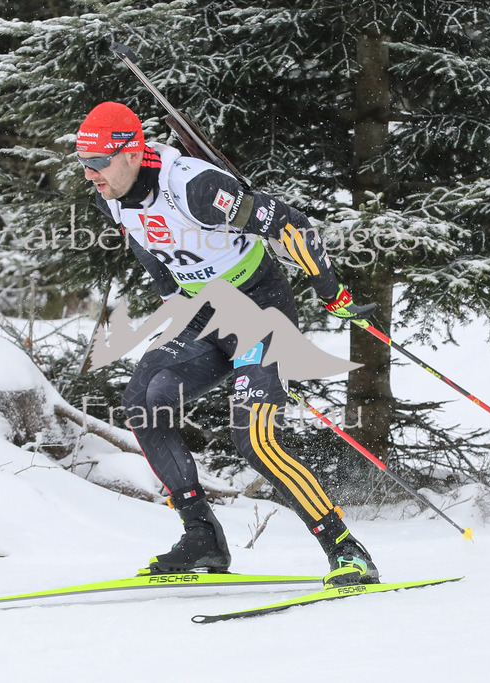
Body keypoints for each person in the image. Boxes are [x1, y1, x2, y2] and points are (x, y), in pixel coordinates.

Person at [76, 101, 378, 586]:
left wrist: (332, 294)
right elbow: (143, 242)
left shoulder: (194, 187)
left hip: (259, 308)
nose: (90, 175)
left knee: (254, 438)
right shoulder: (111, 191)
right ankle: (202, 539)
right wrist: (172, 298)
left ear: (132, 152)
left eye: (98, 163)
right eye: (83, 163)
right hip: (203, 314)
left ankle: (346, 551)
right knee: (143, 403)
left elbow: (289, 224)